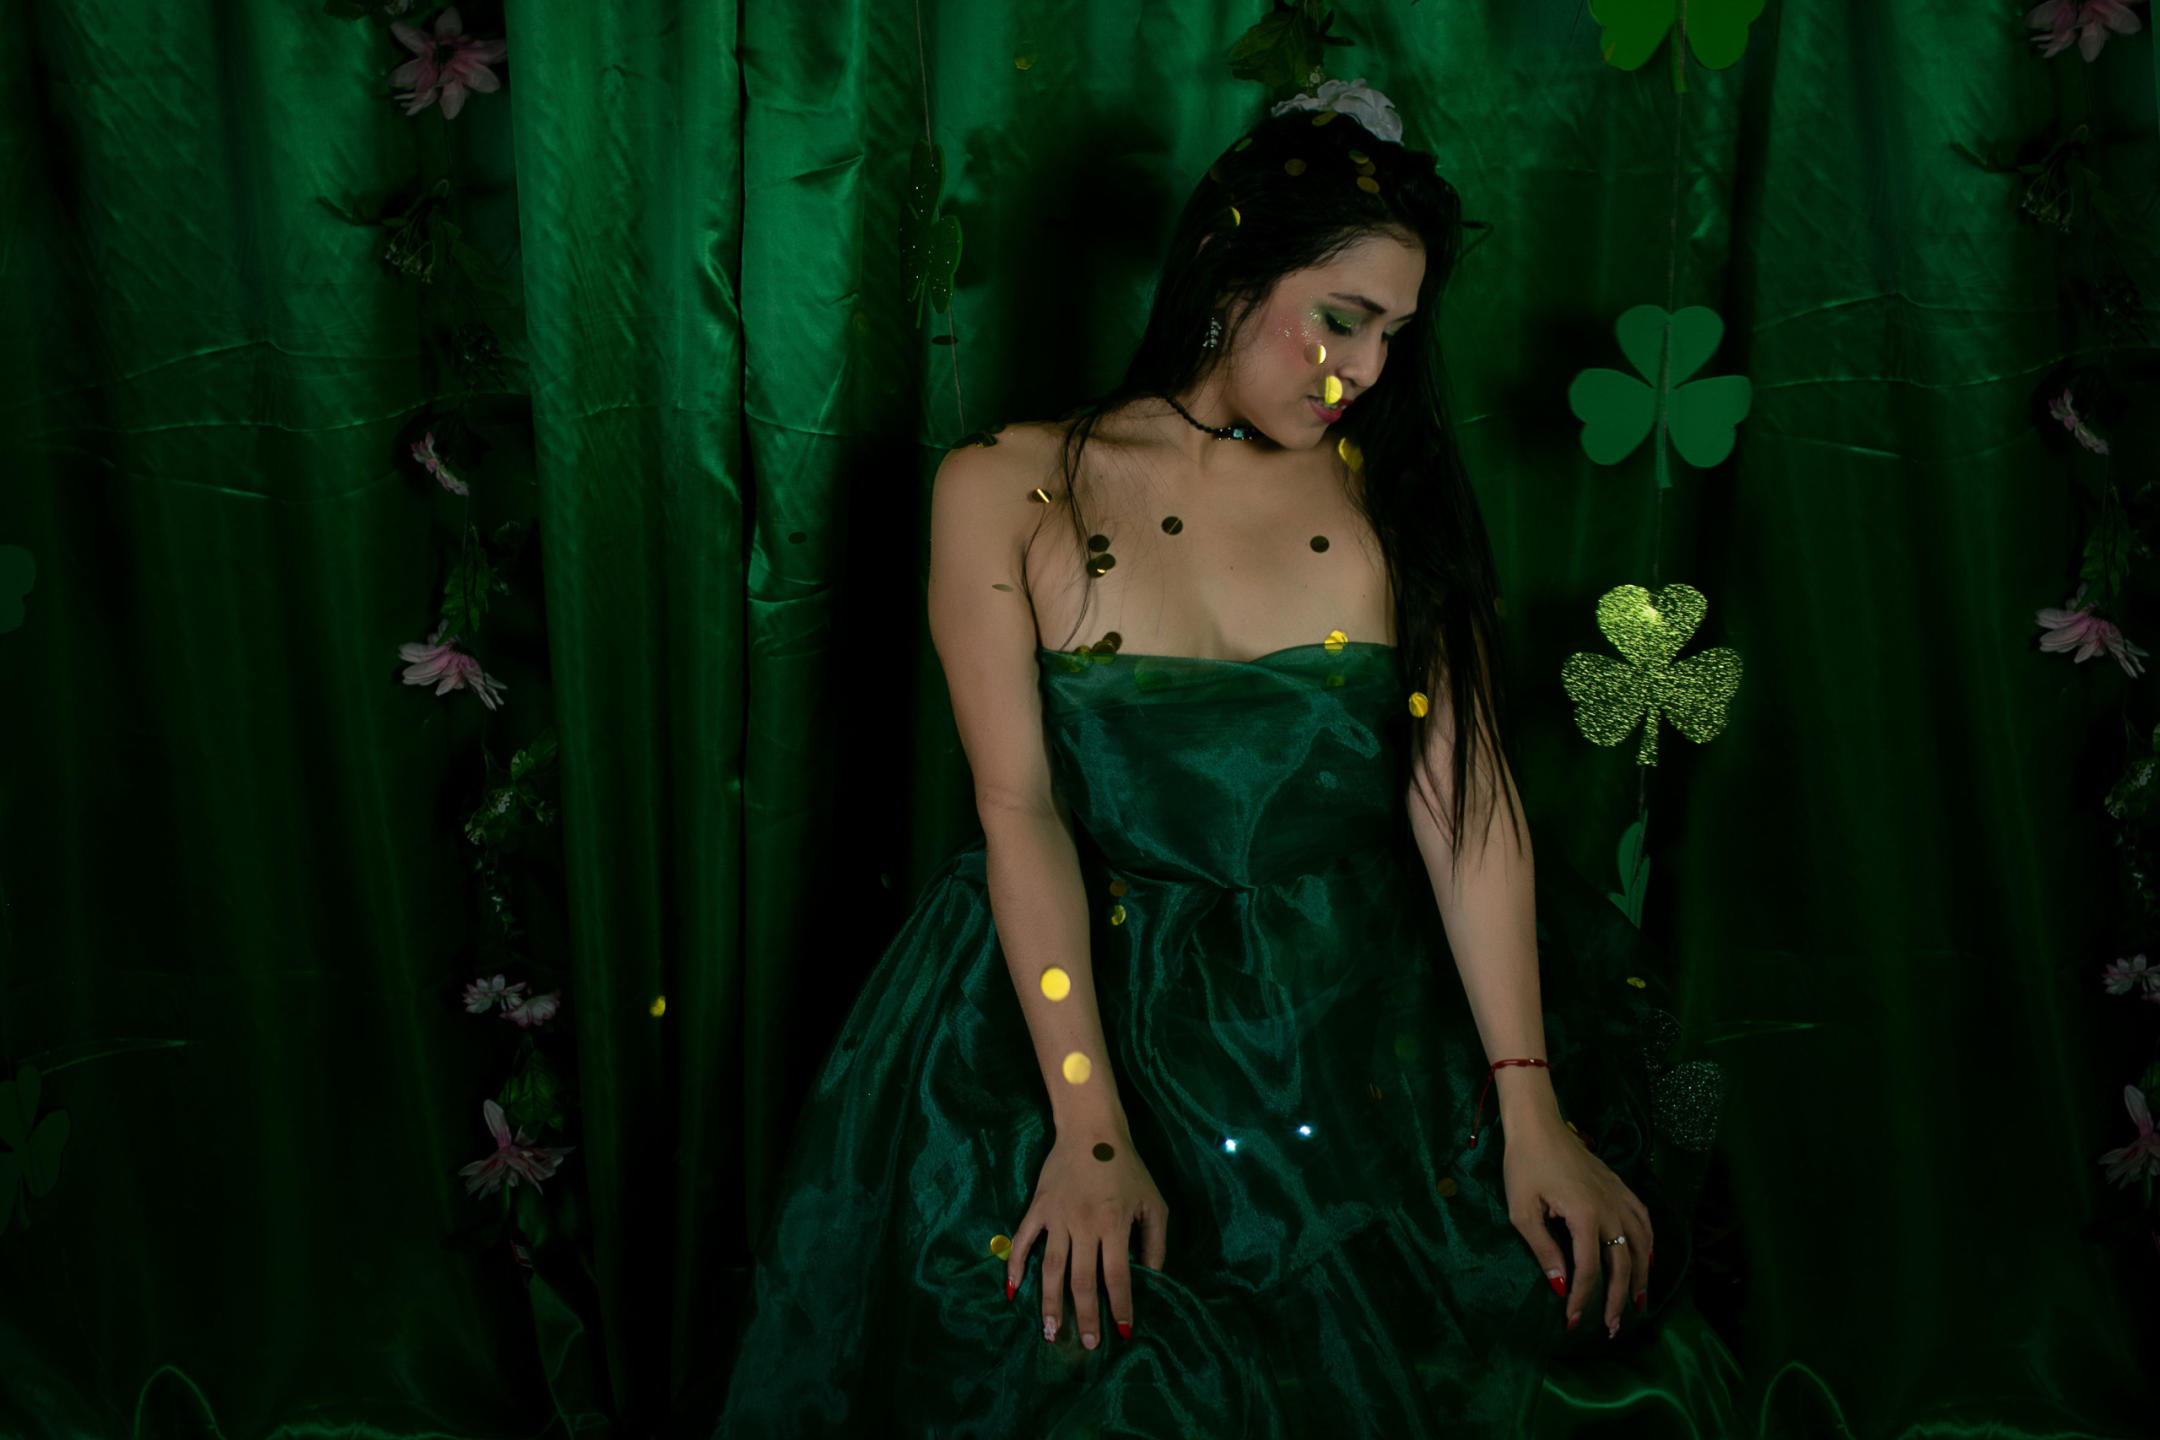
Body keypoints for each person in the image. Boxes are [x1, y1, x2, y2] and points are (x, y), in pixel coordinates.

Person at [712, 88, 1696, 1438]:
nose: (1366, 368)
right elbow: (1019, 810)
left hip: (1355, 1024)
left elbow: (1465, 806)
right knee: (1070, 1349)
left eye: (1396, 334)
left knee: (1505, 1325)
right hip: (1088, 1004)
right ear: (1233, 276)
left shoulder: (1394, 495)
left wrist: (1530, 1110)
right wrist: (1090, 1130)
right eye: (1342, 317)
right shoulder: (1006, 487)